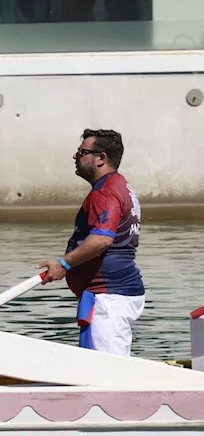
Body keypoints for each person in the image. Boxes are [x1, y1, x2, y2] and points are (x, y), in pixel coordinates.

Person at [38, 129, 144, 356]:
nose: (75, 157)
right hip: (109, 295)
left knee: (109, 375)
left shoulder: (105, 192)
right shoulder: (120, 185)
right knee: (99, 369)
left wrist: (64, 263)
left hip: (110, 297)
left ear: (101, 158)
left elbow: (101, 240)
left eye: (82, 152)